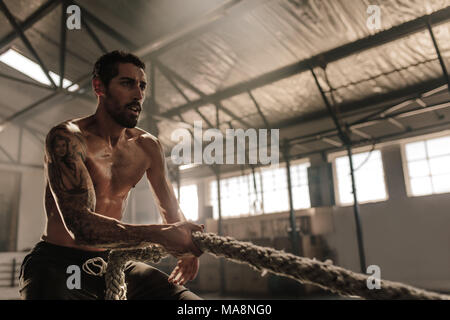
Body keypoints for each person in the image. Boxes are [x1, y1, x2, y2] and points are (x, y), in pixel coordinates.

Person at [19, 50, 204, 300]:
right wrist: (160, 235)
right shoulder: (67, 138)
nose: (138, 94)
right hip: (58, 264)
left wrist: (186, 247)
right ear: (99, 86)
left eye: (142, 86)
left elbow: (170, 208)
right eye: (127, 83)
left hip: (112, 260)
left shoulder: (148, 146)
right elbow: (81, 227)